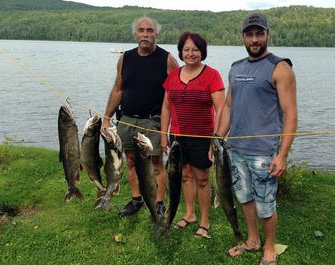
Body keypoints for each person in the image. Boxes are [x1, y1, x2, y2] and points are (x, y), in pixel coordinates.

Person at [216, 13, 297, 265]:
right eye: (249, 34)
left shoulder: (280, 67)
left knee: (265, 205)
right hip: (235, 149)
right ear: (243, 36)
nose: (254, 39)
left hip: (264, 152)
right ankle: (252, 240)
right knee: (245, 197)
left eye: (259, 33)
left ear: (267, 34)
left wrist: (282, 155)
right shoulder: (235, 68)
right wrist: (218, 140)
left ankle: (270, 248)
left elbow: (291, 114)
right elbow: (228, 106)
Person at [101, 17, 178, 219]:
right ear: (136, 34)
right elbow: (118, 90)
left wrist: (170, 127)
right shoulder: (125, 58)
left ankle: (159, 203)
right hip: (126, 119)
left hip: (152, 121)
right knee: (131, 162)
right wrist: (107, 117)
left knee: (157, 164)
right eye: (141, 30)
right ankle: (137, 199)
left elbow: (175, 94)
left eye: (150, 30)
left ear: (156, 34)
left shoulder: (167, 59)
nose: (145, 34)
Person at [160, 32, 225, 238]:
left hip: (203, 137)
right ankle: (189, 214)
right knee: (185, 175)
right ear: (181, 52)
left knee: (202, 179)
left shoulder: (212, 75)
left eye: (195, 49)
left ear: (202, 52)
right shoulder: (173, 76)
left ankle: (204, 220)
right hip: (178, 137)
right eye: (186, 49)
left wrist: (215, 141)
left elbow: (221, 109)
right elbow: (166, 107)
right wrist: (164, 135)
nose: (190, 53)